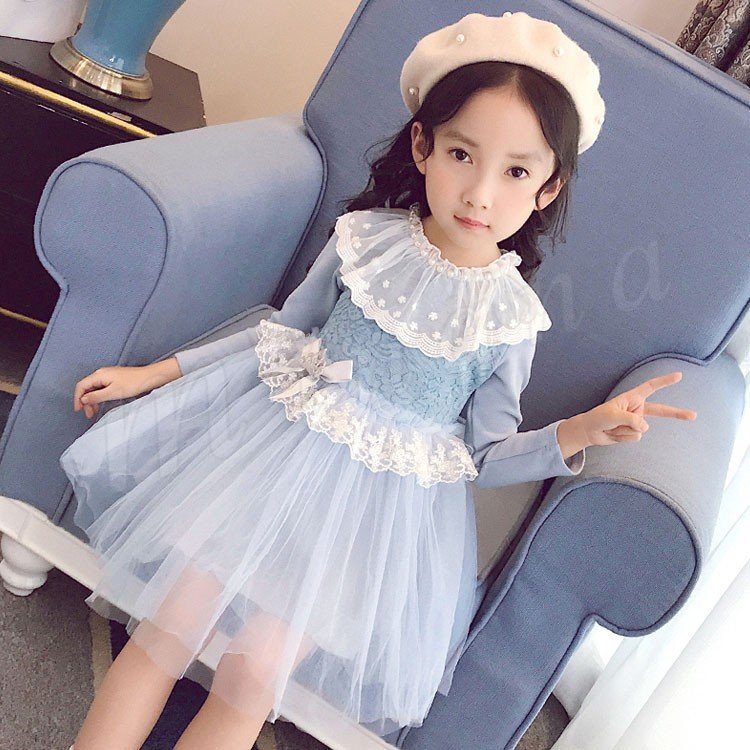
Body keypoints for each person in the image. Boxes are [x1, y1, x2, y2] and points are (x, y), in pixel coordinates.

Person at [59, 11, 698, 750]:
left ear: (547, 188)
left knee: (252, 676)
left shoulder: (510, 320)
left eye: (516, 171)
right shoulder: (363, 241)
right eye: (461, 153)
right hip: (265, 465)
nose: (479, 192)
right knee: (165, 629)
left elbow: (484, 455)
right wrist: (154, 373)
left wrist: (581, 433)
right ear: (423, 146)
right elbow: (279, 336)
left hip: (367, 527)